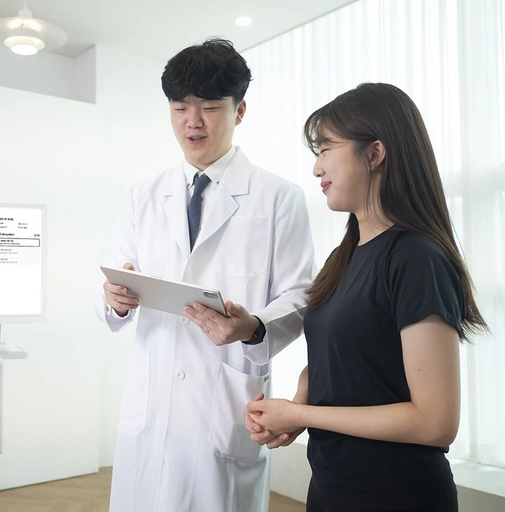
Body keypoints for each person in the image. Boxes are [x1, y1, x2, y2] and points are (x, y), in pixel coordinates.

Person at [245, 83, 489, 512]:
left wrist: (301, 415)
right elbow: (336, 359)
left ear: (375, 154)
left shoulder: (417, 257)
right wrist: (296, 405)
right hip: (331, 486)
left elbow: (435, 422)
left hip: (397, 495)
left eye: (326, 149)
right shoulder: (344, 256)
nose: (316, 169)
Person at [95, 38, 315, 512]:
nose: (192, 122)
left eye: (210, 107)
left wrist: (253, 326)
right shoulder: (141, 196)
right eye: (180, 108)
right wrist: (114, 298)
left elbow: (301, 296)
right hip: (151, 405)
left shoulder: (279, 198)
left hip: (223, 406)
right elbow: (113, 282)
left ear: (239, 111)